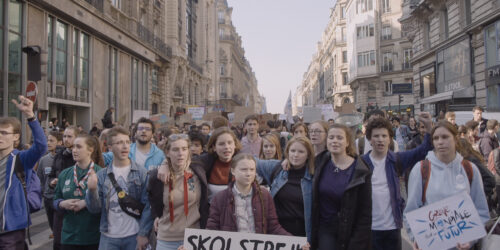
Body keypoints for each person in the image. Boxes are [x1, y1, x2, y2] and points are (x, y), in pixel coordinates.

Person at [404, 121, 490, 250]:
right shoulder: (421, 169)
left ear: (455, 139)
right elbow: (411, 210)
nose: (440, 142)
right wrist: (415, 237)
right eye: (436, 138)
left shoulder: (470, 169)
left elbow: (481, 211)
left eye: (445, 137)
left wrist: (471, 239)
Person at [361, 113, 433, 250]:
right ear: (369, 139)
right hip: (368, 229)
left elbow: (424, 150)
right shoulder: (361, 163)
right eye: (376, 136)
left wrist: (429, 128)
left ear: (390, 139)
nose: (380, 140)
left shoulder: (397, 160)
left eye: (384, 136)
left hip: (392, 229)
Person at [85, 127, 152, 250]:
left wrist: (143, 233)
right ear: (110, 147)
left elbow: (147, 206)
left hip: (134, 235)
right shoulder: (101, 175)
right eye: (120, 143)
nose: (125, 146)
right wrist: (92, 190)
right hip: (108, 236)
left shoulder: (141, 173)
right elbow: (94, 209)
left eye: (127, 142)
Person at [311, 124, 372, 250]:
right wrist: (285, 162)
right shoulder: (319, 163)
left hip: (350, 231)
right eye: (331, 137)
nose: (335, 141)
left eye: (339, 138)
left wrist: (358, 242)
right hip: (325, 230)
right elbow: (295, 159)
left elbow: (365, 212)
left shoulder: (360, 170)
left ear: (347, 142)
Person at [0, 96, 47, 248]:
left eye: (4, 133)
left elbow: (41, 147)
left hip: (10, 229)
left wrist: (30, 116)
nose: (0, 136)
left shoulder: (20, 158)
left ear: (16, 137)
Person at [148, 134, 209, 250]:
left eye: (184, 149)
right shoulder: (157, 177)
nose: (180, 153)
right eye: (175, 149)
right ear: (167, 152)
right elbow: (152, 199)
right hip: (166, 239)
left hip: (194, 237)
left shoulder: (198, 169)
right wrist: (155, 215)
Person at [206, 153, 291, 236]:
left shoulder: (264, 195)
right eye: (243, 169)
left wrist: (294, 241)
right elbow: (212, 228)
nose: (248, 174)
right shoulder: (220, 198)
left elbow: (273, 227)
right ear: (233, 171)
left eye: (252, 169)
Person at [257, 136, 315, 239]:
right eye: (292, 151)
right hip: (276, 231)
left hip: (302, 233)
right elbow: (249, 160)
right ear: (287, 152)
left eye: (301, 152)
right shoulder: (277, 168)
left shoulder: (314, 175)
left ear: (308, 155)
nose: (296, 155)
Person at [53, 135, 104, 250]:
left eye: (79, 147)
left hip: (92, 237)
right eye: (73, 147)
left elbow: (106, 202)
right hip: (69, 236)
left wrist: (86, 202)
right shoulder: (65, 174)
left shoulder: (101, 173)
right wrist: (62, 204)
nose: (74, 150)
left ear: (90, 150)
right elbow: (55, 199)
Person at [49, 125, 79, 250]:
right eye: (65, 136)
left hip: (76, 204)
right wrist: (52, 182)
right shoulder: (59, 155)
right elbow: (51, 175)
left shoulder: (79, 156)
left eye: (70, 136)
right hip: (60, 203)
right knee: (58, 240)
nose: (66, 139)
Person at [37, 131, 63, 237]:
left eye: (51, 141)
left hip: (59, 198)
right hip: (47, 198)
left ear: (60, 142)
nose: (48, 143)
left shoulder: (63, 159)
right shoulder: (43, 160)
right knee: (52, 225)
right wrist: (43, 192)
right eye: (47, 140)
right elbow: (40, 178)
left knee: (59, 227)